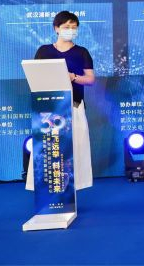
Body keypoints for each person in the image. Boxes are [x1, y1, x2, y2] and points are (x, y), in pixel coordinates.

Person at [26, 10, 96, 191]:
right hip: (48, 110)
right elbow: (35, 76)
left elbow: (90, 79)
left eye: (74, 27)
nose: (70, 30)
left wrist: (73, 77)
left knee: (74, 149)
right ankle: (46, 188)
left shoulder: (82, 52)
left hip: (74, 106)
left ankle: (70, 188)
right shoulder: (44, 51)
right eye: (66, 27)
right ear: (56, 28)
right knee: (47, 151)